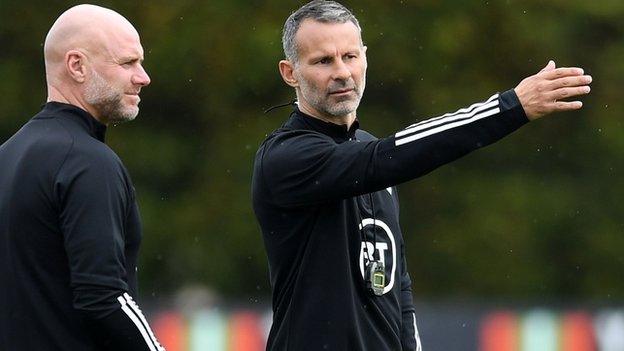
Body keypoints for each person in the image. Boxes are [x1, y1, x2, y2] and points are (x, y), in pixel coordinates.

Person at [251, 1, 592, 350]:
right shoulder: (286, 157)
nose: (342, 72)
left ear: (365, 57)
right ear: (290, 72)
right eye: (323, 61)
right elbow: (384, 158)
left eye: (350, 56)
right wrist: (509, 107)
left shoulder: (368, 151)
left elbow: (398, 285)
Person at [0, 4, 164, 351]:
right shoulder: (87, 162)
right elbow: (103, 297)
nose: (143, 76)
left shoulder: (7, 154)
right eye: (127, 63)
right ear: (77, 66)